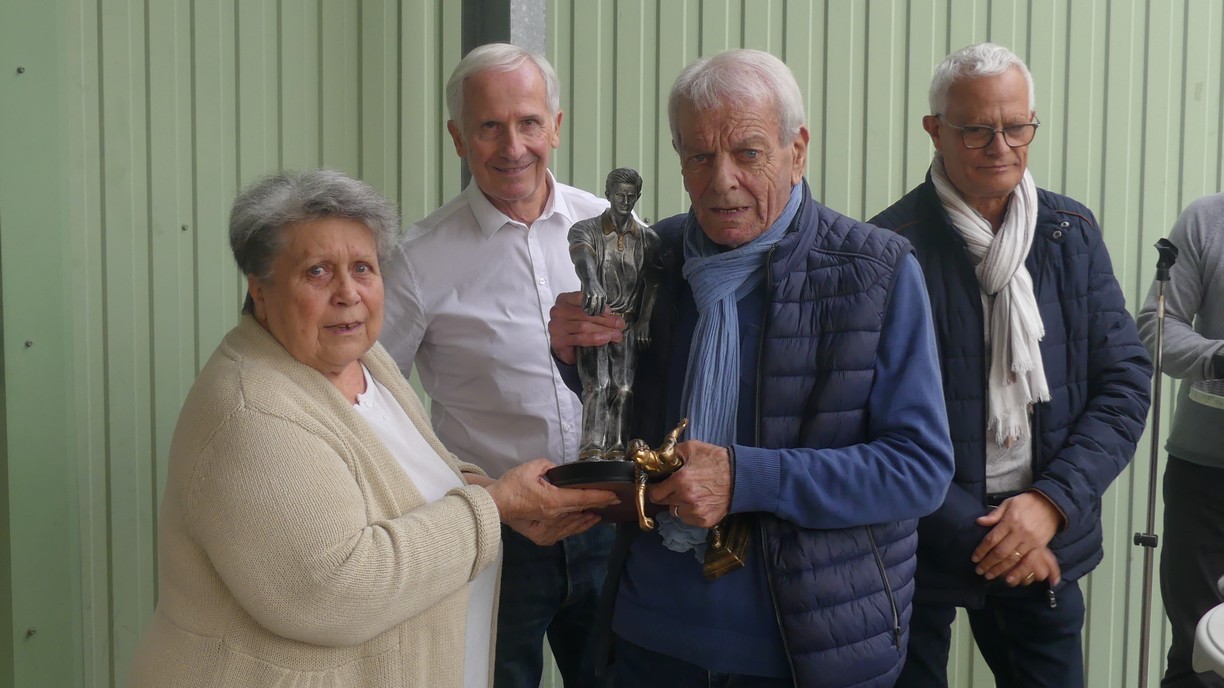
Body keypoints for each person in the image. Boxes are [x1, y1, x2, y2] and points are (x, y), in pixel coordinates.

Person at [548, 49, 955, 688]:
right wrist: (580, 352)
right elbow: (635, 413)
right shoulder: (662, 255)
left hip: (806, 649)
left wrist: (746, 478)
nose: (722, 181)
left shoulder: (875, 272)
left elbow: (918, 471)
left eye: (749, 153)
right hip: (650, 637)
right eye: (699, 157)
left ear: (799, 149)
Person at [127, 170, 616, 688]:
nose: (348, 293)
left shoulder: (361, 362)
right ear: (261, 292)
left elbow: (411, 476)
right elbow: (335, 592)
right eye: (317, 272)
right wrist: (493, 509)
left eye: (363, 268)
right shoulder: (252, 412)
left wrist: (496, 493)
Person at [870, 43, 1152, 687]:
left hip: (1043, 537)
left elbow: (1124, 384)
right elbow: (869, 419)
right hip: (920, 546)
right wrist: (976, 532)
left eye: (1017, 126)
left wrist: (1050, 504)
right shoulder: (889, 251)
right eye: (977, 129)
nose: (1001, 145)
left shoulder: (1069, 234)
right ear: (935, 130)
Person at [379, 44, 614, 688]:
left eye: (529, 122)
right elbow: (376, 408)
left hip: (611, 526)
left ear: (556, 127)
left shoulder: (609, 229)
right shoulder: (417, 261)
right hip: (497, 540)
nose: (513, 146)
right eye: (489, 126)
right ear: (458, 138)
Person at [1137, 194, 1224, 688]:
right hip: (1207, 478)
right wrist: (1218, 359)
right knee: (1199, 652)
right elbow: (1156, 325)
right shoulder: (1207, 219)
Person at [568, 167, 660, 460]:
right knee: (598, 385)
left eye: (631, 196)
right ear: (608, 194)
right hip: (596, 319)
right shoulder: (586, 229)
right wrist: (590, 281)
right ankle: (592, 447)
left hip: (628, 324)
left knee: (623, 388)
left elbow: (653, 282)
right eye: (620, 195)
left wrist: (644, 320)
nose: (625, 201)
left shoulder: (648, 240)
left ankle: (617, 448)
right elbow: (582, 255)